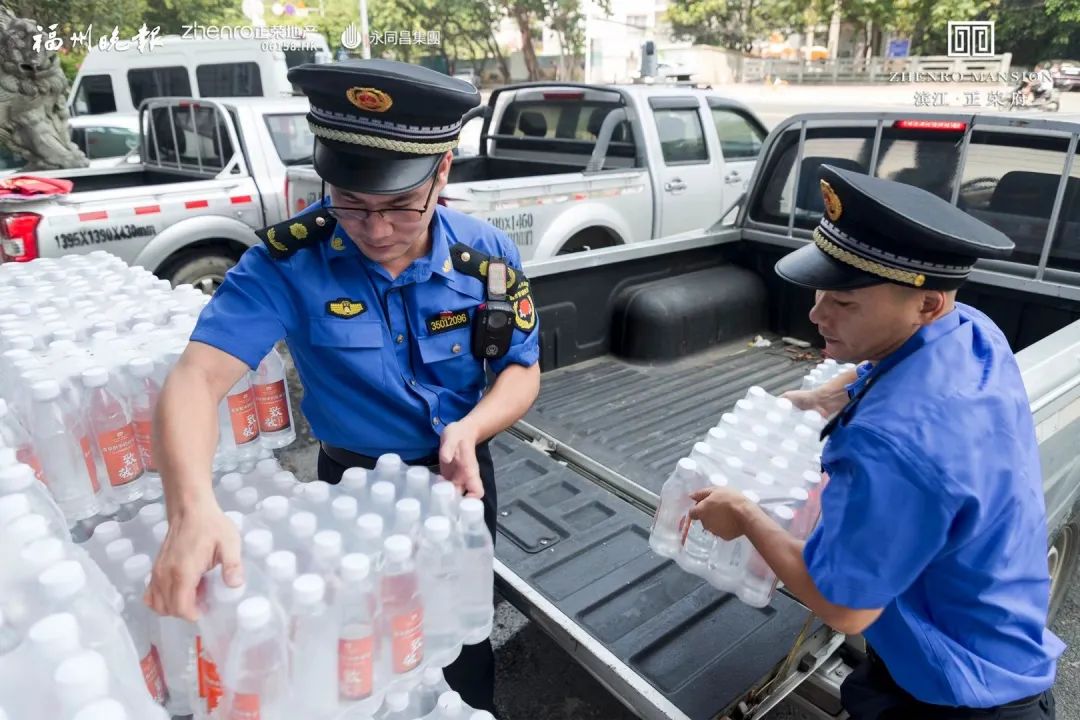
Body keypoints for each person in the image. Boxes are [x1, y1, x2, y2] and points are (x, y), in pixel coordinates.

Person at [144, 58, 541, 713]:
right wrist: (190, 510)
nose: (377, 230)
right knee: (364, 644)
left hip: (460, 478)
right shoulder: (285, 263)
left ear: (442, 172)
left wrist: (473, 427)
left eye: (400, 207)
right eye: (352, 205)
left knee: (465, 634)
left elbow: (521, 370)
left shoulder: (487, 257)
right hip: (349, 489)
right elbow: (195, 377)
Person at [688, 165, 1064, 719]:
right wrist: (832, 393)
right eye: (822, 290)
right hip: (997, 642)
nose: (816, 313)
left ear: (926, 304)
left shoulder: (888, 444)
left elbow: (844, 608)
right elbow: (906, 363)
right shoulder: (972, 330)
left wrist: (743, 515)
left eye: (845, 303)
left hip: (954, 699)